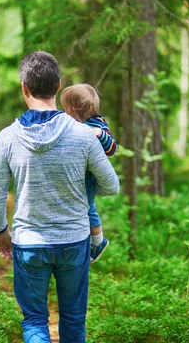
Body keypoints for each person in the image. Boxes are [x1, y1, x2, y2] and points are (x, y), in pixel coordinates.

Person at [0, 51, 120, 342]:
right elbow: (111, 185)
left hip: (29, 243)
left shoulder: (7, 137)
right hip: (74, 241)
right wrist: (79, 187)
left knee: (34, 321)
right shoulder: (85, 135)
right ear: (58, 86)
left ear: (24, 87)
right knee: (73, 318)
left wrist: (1, 231)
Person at [60, 84, 117, 263]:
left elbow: (112, 148)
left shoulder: (97, 124)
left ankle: (98, 242)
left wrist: (100, 134)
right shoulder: (69, 123)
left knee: (89, 208)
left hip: (87, 178)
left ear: (71, 108)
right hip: (73, 175)